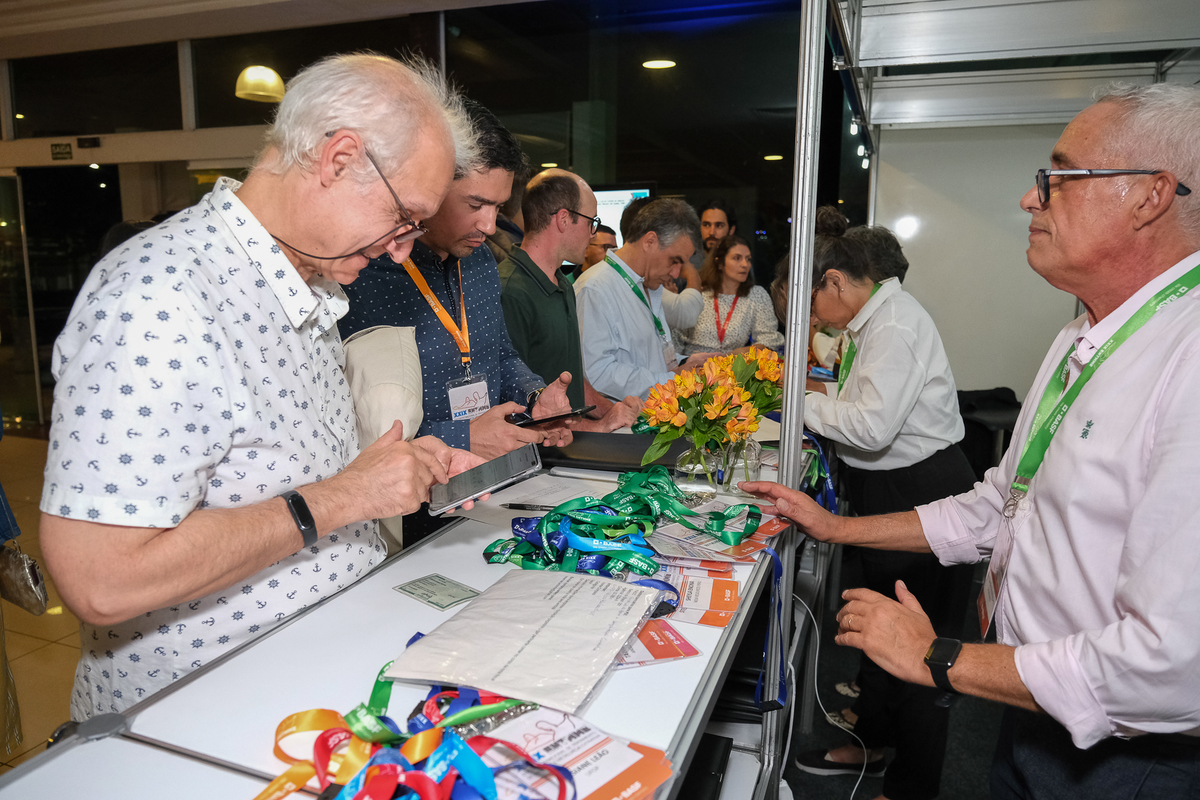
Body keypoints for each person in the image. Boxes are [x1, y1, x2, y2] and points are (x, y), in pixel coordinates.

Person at [747, 83, 1200, 800]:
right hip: (1036, 710)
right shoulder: (1087, 330)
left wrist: (940, 656)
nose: (1030, 199)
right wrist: (836, 525)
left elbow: (1172, 665)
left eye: (1057, 177)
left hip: (1129, 757)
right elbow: (1004, 506)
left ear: (1149, 196)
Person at [38, 53, 484, 720]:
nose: (402, 248)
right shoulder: (161, 298)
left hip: (319, 675)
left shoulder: (308, 278)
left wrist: (382, 472)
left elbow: (271, 475)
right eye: (405, 216)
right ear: (338, 160)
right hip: (205, 714)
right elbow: (101, 579)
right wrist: (348, 495)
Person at [789, 206, 976, 800]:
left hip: (922, 486)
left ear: (836, 280)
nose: (817, 312)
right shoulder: (876, 319)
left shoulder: (893, 324)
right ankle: (875, 741)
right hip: (896, 482)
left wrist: (798, 401)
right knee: (882, 622)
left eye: (815, 295)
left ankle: (912, 784)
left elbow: (871, 427)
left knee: (923, 647)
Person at [339, 98, 574, 462]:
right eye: (476, 205)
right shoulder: (360, 274)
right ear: (431, 188)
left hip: (489, 480)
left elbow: (500, 353)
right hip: (410, 503)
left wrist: (535, 396)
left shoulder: (479, 260)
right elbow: (355, 422)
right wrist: (460, 437)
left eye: (498, 207)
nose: (490, 226)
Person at [497, 170, 642, 432]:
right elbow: (515, 413)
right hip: (543, 458)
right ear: (564, 219)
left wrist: (613, 411)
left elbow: (572, 380)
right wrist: (596, 427)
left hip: (571, 446)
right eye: (591, 222)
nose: (593, 234)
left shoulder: (563, 282)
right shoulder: (511, 291)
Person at [574, 198, 715, 401]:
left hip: (651, 419)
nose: (676, 273)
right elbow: (596, 374)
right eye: (674, 261)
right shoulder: (595, 288)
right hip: (618, 428)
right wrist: (671, 380)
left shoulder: (649, 285)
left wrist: (686, 366)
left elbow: (646, 360)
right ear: (649, 241)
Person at [675, 234, 783, 356]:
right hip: (692, 368)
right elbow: (676, 340)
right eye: (737, 258)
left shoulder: (756, 295)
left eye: (748, 259)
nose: (745, 264)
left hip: (732, 369)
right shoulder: (698, 292)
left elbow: (769, 340)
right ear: (720, 263)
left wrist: (738, 353)